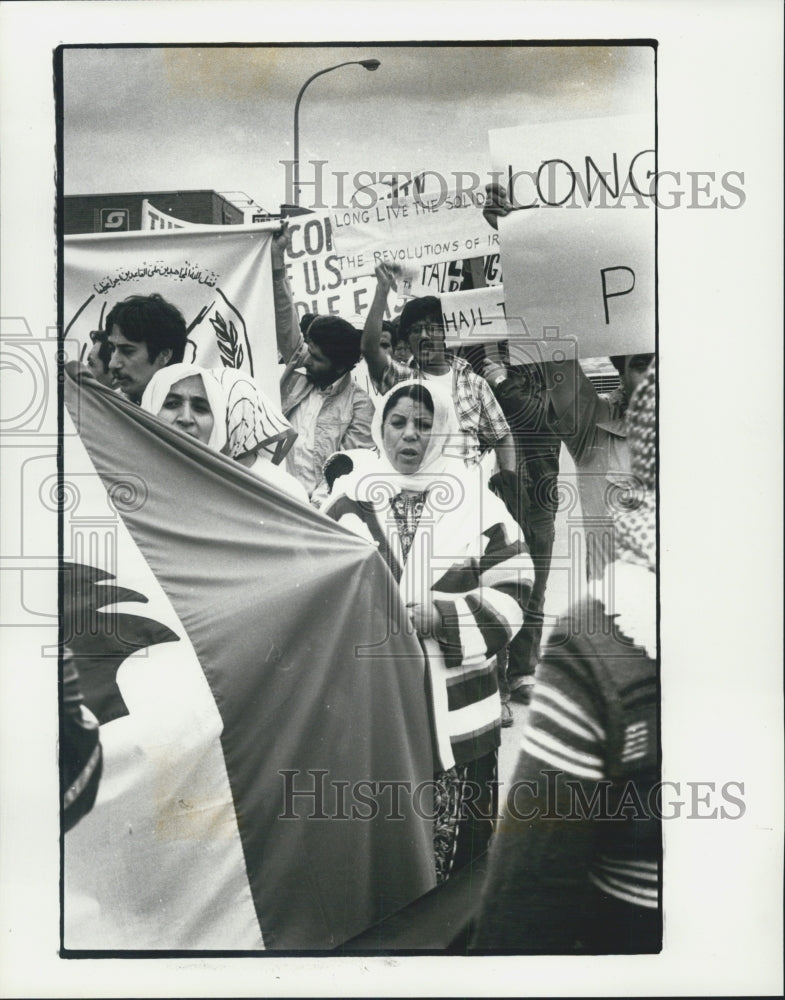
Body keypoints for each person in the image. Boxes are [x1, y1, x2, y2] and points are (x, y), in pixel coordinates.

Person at [469, 362, 660, 954]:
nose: (636, 370)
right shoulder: (591, 424)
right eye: (627, 361)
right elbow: (556, 350)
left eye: (644, 358)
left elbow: (523, 905)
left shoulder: (599, 649)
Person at [323, 380, 534, 883]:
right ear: (380, 429)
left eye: (423, 424)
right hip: (377, 702)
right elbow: (316, 583)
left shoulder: (476, 503)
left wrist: (441, 617)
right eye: (398, 423)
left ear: (442, 431)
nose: (410, 435)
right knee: (386, 842)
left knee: (463, 857)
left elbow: (514, 585)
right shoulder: (345, 503)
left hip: (461, 711)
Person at [482, 183, 653, 581]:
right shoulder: (593, 431)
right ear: (622, 373)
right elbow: (551, 339)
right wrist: (518, 241)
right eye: (642, 364)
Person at [361, 264, 517, 482]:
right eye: (416, 330)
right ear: (408, 340)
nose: (424, 336)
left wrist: (509, 480)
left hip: (469, 491)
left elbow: (502, 436)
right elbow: (369, 349)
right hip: (418, 490)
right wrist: (382, 290)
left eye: (432, 328)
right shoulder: (403, 380)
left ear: (447, 333)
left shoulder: (474, 383)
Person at [271, 229, 375, 503]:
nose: (306, 360)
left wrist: (315, 507)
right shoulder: (298, 376)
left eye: (316, 359)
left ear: (340, 365)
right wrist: (277, 262)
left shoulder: (359, 406)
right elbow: (285, 322)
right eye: (308, 351)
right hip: (275, 499)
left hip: (321, 513)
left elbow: (349, 469)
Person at [480, 358, 562, 706]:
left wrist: (500, 381)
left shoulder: (552, 382)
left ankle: (523, 673)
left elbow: (536, 420)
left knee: (535, 590)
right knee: (491, 587)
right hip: (495, 497)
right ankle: (495, 682)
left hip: (539, 499)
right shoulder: (477, 375)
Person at [142, 363, 309, 502]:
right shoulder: (133, 478)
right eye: (171, 404)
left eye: (201, 408)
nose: (186, 418)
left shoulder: (284, 488)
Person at [106, 293, 188, 403]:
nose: (112, 364)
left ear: (164, 356)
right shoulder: (110, 408)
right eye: (112, 349)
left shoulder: (188, 416)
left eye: (127, 351)